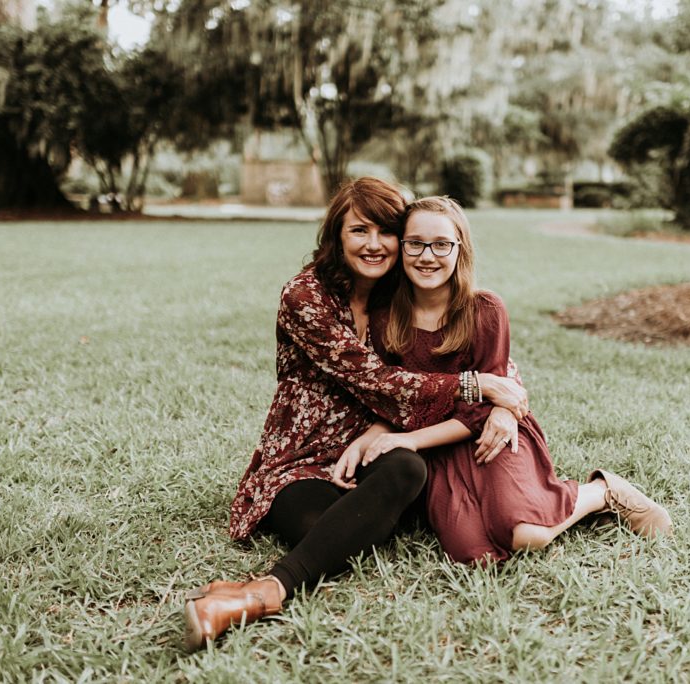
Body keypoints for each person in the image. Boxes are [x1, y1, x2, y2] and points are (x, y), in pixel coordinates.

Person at [183, 178, 527, 650]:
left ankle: (266, 590)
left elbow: (491, 355)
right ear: (336, 236)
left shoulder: (400, 290)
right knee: (332, 527)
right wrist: (476, 386)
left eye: (386, 231)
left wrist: (506, 408)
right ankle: (268, 590)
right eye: (358, 231)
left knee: (408, 471)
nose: (374, 245)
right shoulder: (306, 297)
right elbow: (375, 381)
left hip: (382, 443)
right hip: (306, 456)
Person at [348, 196, 672, 565]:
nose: (427, 256)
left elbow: (480, 409)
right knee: (477, 555)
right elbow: (393, 394)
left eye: (441, 244)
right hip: (438, 452)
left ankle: (601, 492)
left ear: (460, 249)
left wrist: (408, 440)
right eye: (415, 243)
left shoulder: (484, 309)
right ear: (402, 246)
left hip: (491, 433)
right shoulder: (385, 316)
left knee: (526, 534)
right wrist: (380, 436)